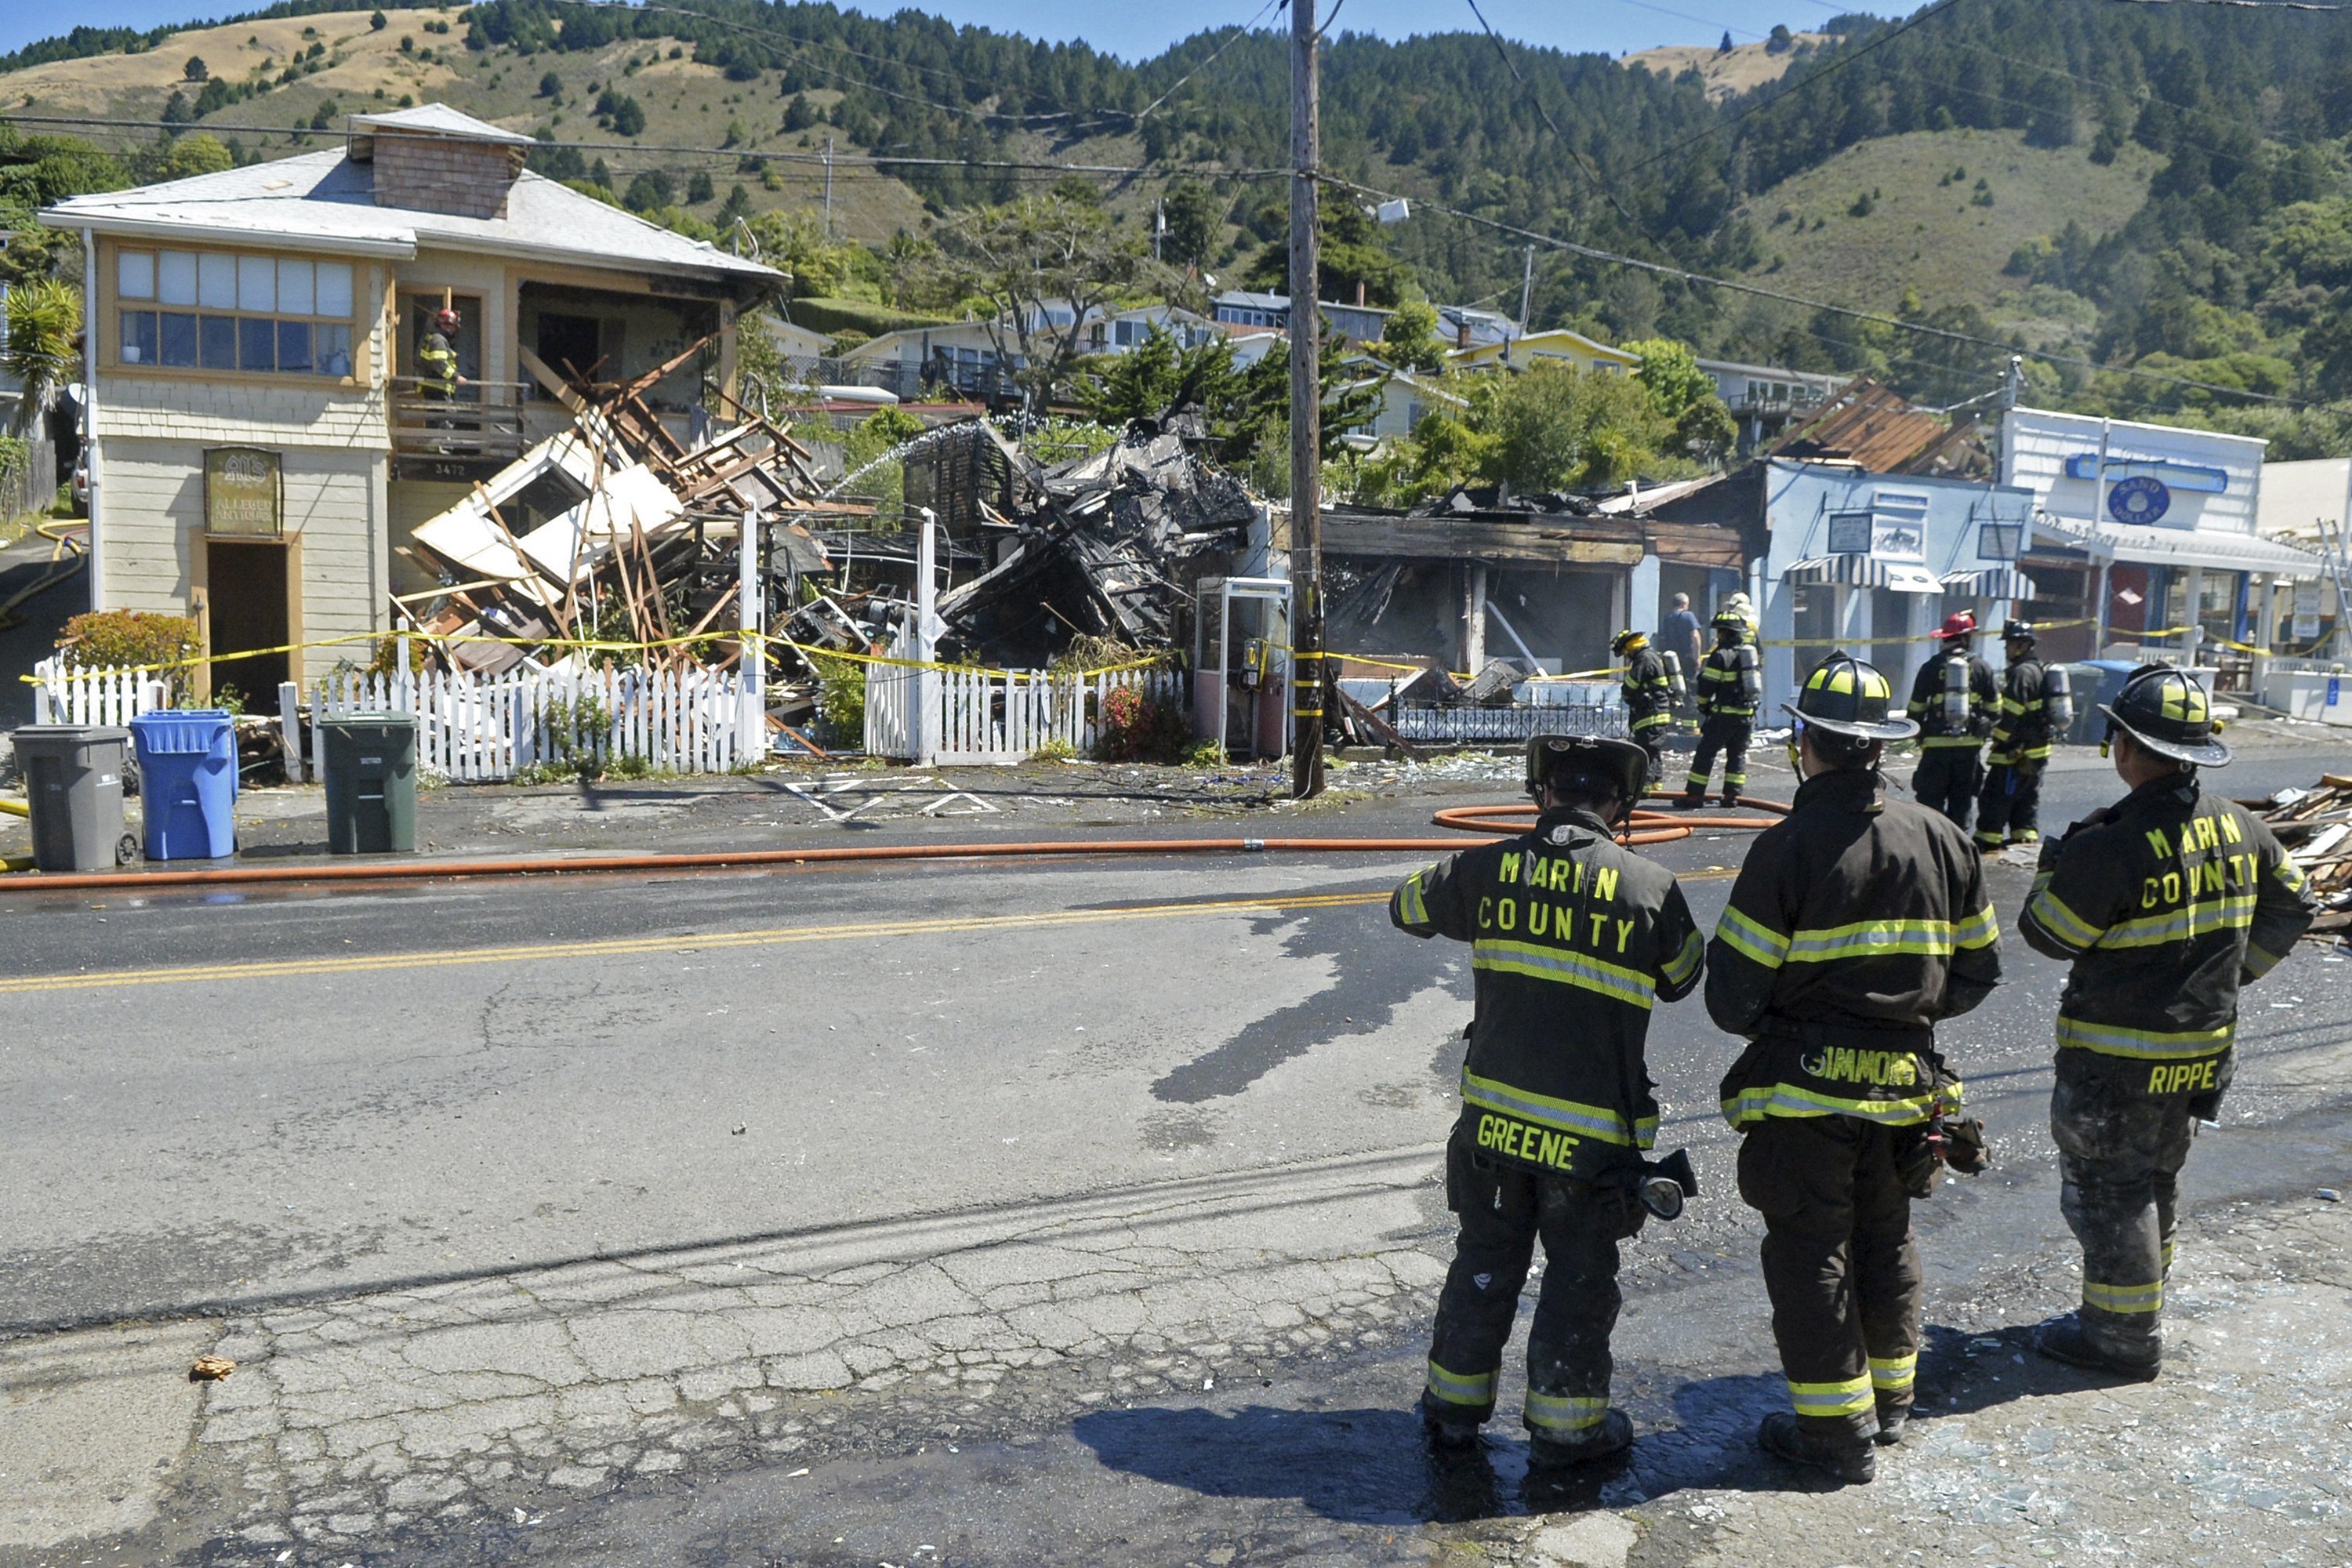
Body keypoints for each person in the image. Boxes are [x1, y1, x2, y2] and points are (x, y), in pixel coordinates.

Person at [1707, 652, 2002, 1485]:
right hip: (1908, 1091)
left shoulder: (1787, 847)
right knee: (1886, 1239)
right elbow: (1978, 971)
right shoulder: (1946, 839)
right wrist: (1904, 1017)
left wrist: (1797, 1022)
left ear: (1806, 739)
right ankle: (1891, 1402)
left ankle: (1836, 1437)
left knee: (1812, 1255)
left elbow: (1732, 998)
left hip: (1805, 1095)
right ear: (1880, 747)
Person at [1391, 734, 1704, 1464]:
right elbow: (1686, 976)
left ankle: (1453, 1414)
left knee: (1485, 1260)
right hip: (1589, 1143)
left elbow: (1406, 907)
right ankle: (1567, 1435)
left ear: (1542, 796)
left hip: (1493, 1131)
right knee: (1578, 1278)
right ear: (1620, 806)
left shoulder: (1485, 867)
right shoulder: (1649, 887)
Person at [2017, 666, 2314, 1379]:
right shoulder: (2240, 825)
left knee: (2110, 1192)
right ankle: (2135, 1309)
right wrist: (2234, 975)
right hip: (2202, 1052)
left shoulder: (2109, 845)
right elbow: (2296, 903)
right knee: (2156, 1180)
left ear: (2123, 745)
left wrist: (2057, 858)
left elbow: (2047, 934)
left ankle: (2120, 1339)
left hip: (2116, 1063)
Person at [1906, 612, 1998, 830]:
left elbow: (1915, 710)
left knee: (1930, 807)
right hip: (1968, 752)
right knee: (1961, 805)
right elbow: (1995, 710)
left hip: (1936, 750)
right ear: (1966, 638)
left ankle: (1930, 851)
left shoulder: (1930, 667)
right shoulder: (1982, 667)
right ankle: (1958, 852)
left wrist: (1921, 736)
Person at [1975, 619, 2056, 851]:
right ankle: (2025, 838)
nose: (2006, 649)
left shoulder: (2022, 673)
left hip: (2016, 752)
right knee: (2026, 798)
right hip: (2036, 749)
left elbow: (2012, 711)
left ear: (2022, 645)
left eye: (2009, 644)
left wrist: (1999, 739)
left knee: (1995, 797)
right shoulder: (2038, 670)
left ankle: (1987, 841)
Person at [1681, 609, 1759, 808]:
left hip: (1723, 716)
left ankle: (1694, 797)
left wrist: (1703, 705)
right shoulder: (1748, 654)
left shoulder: (1720, 655)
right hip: (1746, 716)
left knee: (1706, 754)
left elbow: (1707, 686)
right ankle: (1731, 797)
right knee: (1737, 755)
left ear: (1724, 633)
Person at [1613, 629, 1674, 786]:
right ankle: (1654, 784)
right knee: (1653, 750)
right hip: (1654, 711)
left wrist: (1626, 694)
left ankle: (1644, 786)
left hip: (1652, 713)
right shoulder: (1650, 656)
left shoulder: (1644, 658)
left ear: (1631, 648)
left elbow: (1632, 684)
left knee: (1645, 751)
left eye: (1626, 653)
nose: (1627, 657)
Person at [1661, 593, 1704, 688]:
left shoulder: (1667, 617)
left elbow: (1663, 637)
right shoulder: (1688, 615)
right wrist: (1698, 657)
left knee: (1674, 683)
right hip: (1688, 656)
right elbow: (1695, 636)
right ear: (1683, 604)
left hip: (1672, 657)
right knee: (1690, 683)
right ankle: (1689, 702)